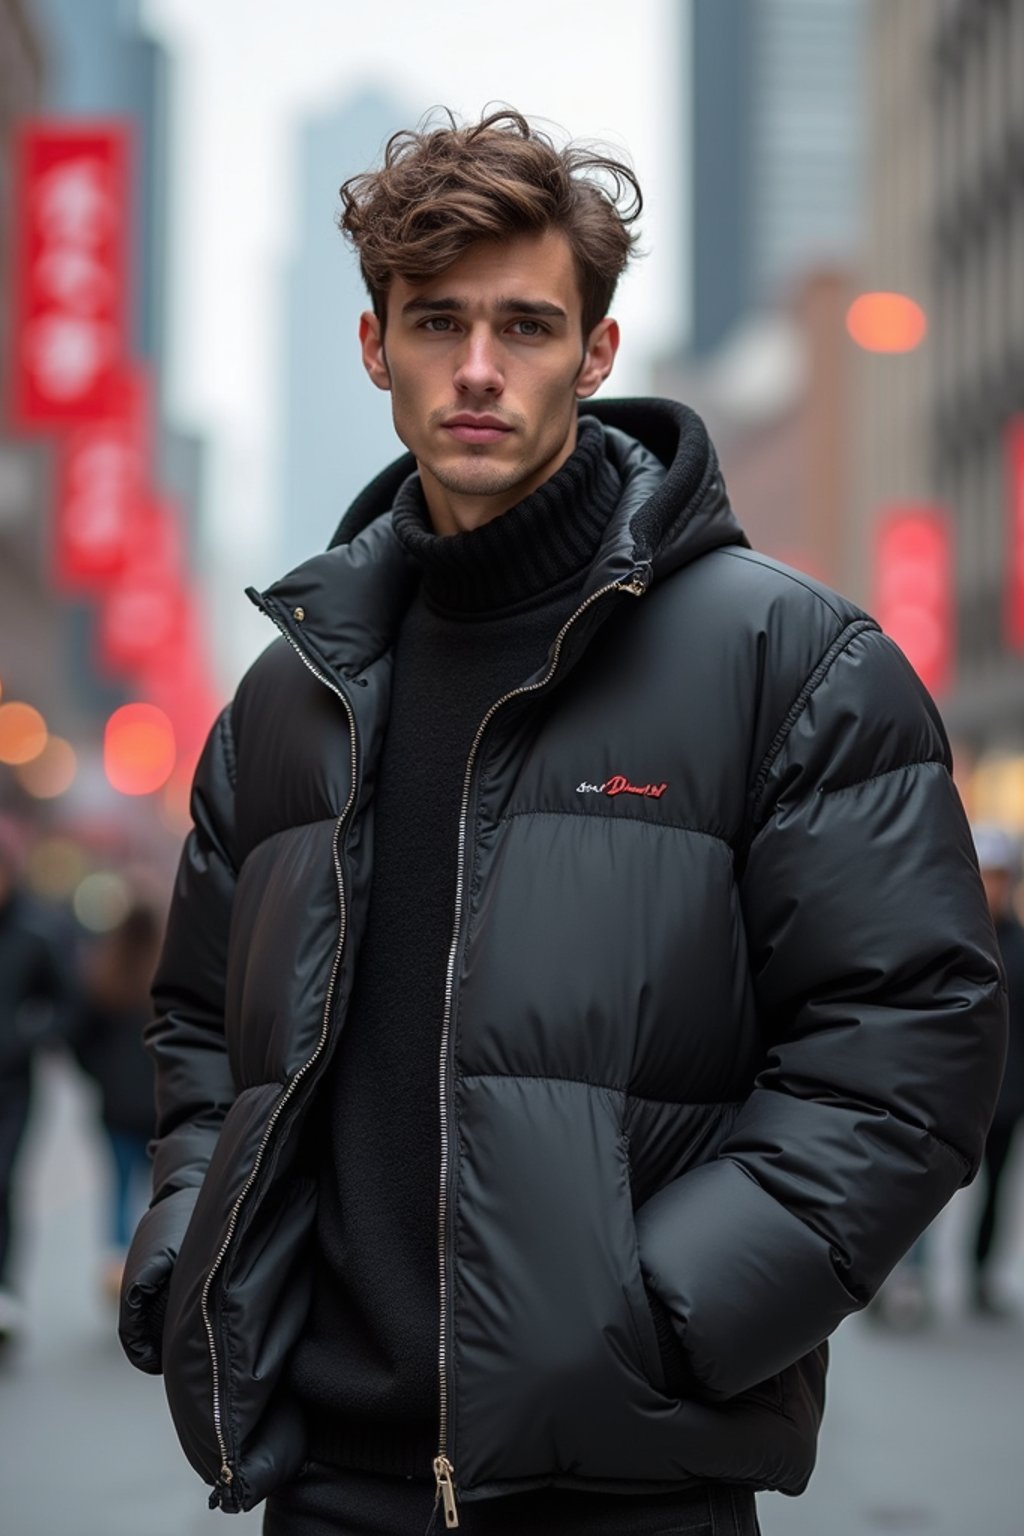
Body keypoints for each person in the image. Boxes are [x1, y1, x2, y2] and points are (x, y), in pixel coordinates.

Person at [118, 110, 1006, 1535]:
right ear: (374, 347)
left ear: (596, 354)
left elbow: (907, 1044)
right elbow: (199, 1032)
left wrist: (664, 1311)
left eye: (527, 327)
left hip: (627, 1484)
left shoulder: (792, 663)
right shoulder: (291, 700)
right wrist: (189, 1242)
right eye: (438, 323)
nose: (479, 370)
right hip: (324, 1485)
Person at [0, 818, 71, 1344]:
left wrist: (29, 1034)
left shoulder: (36, 931)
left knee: (2, 1181)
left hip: (11, 1083)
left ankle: (4, 1292)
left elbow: (67, 1003)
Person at [72, 900, 160, 1305]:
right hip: (163, 1106)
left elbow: (78, 1039)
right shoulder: (167, 979)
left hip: (116, 1108)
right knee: (161, 1191)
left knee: (120, 1189)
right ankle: (157, 1267)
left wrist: (101, 1077)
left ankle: (117, 1268)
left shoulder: (104, 977)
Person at [969, 825, 1024, 1317]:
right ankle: (907, 1279)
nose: (994, 885)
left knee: (995, 1191)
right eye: (987, 875)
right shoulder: (948, 934)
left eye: (1001, 876)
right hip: (951, 1091)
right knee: (918, 1186)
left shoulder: (1020, 946)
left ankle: (980, 1275)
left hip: (1006, 1095)